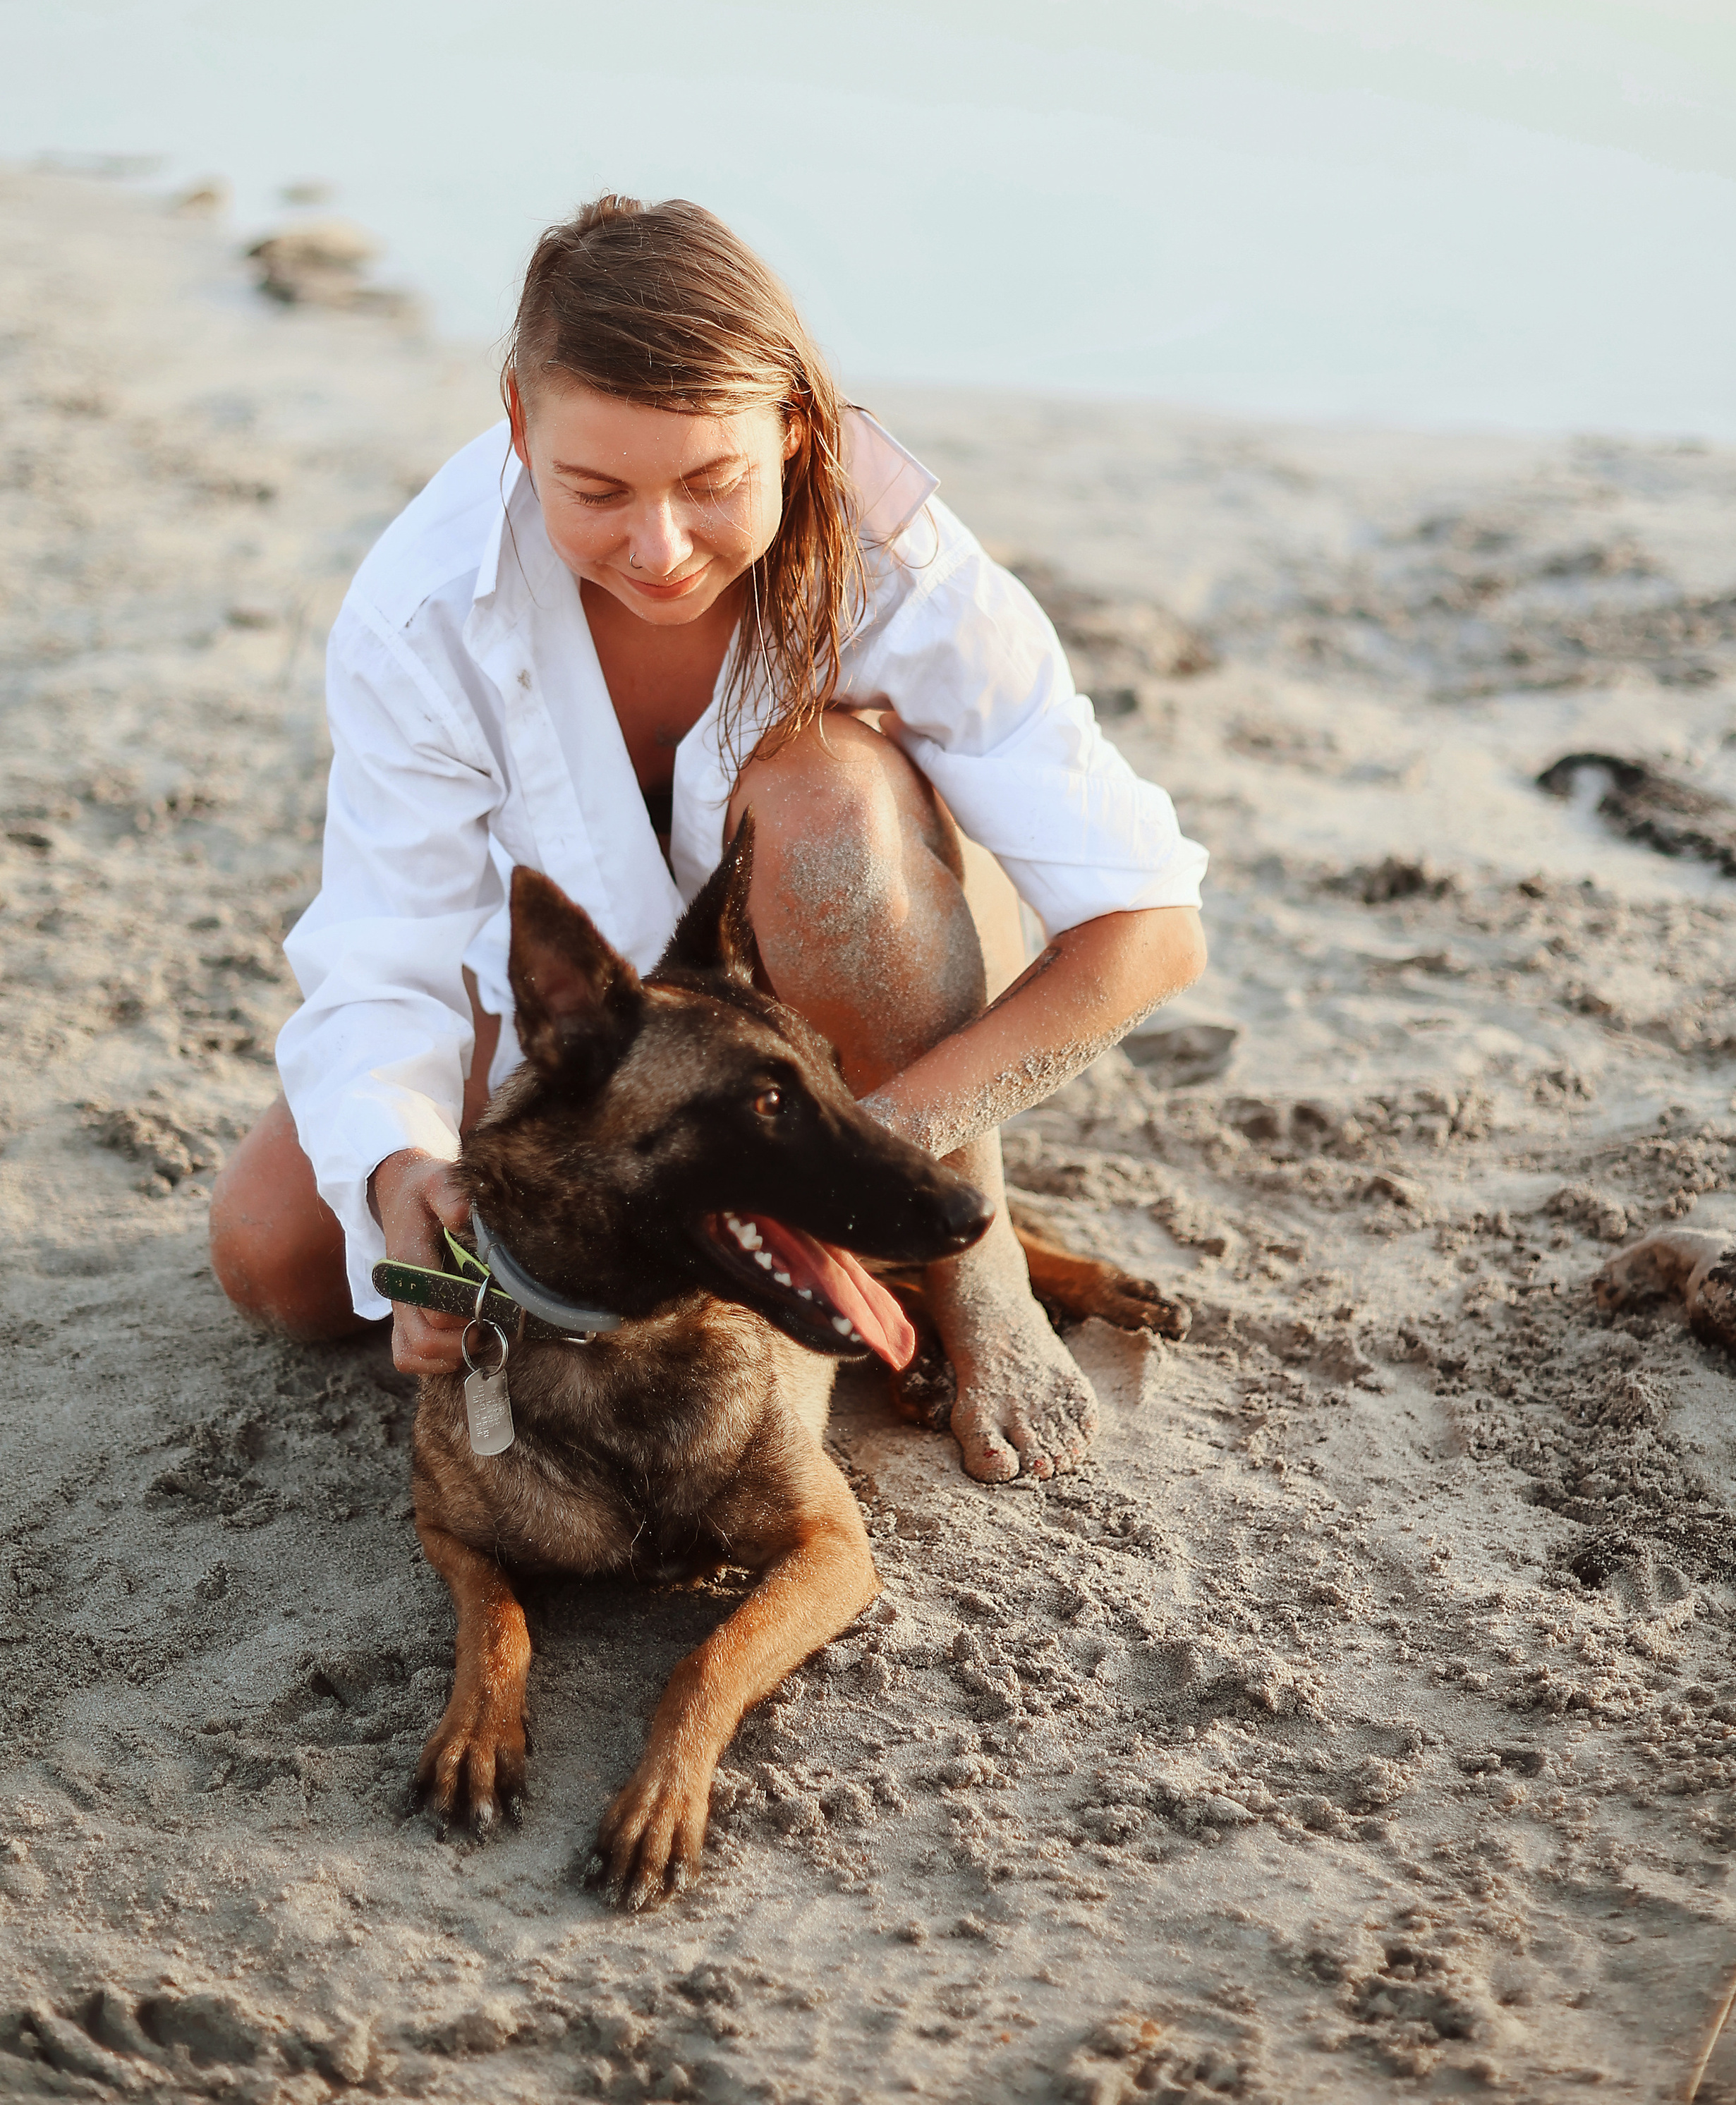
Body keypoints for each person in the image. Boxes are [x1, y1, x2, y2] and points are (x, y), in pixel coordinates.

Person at [210, 195, 1208, 1483]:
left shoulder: (891, 559)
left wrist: (875, 1155)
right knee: (277, 1254)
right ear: (519, 427)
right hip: (603, 1044)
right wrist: (404, 1173)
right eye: (596, 488)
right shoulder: (420, 610)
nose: (661, 545)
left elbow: (1148, 928)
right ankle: (775, 1228)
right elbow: (386, 951)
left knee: (828, 796)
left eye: (712, 481)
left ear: (795, 426)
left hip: (864, 961)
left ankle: (980, 1259)